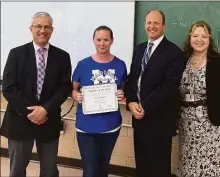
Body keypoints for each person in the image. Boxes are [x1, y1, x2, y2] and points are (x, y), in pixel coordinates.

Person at [0, 12, 72, 177]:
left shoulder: (62, 56)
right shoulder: (16, 54)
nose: (42, 30)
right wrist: (33, 112)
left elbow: (64, 87)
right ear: (31, 29)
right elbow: (9, 87)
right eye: (38, 26)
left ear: (52, 30)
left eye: (46, 27)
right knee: (17, 170)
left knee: (49, 170)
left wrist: (44, 110)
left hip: (49, 119)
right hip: (20, 119)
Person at [125, 10, 185, 177]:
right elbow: (132, 79)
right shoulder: (139, 49)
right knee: (142, 167)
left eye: (156, 23)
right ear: (144, 25)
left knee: (159, 169)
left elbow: (169, 87)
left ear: (164, 26)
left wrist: (144, 106)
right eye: (149, 23)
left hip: (159, 122)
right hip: (139, 120)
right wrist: (130, 102)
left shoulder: (174, 53)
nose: (152, 26)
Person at [177, 20, 220, 177]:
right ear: (190, 38)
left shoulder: (219, 62)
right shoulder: (181, 60)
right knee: (188, 164)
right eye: (195, 35)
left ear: (210, 39)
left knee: (213, 166)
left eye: (204, 36)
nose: (199, 40)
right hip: (186, 123)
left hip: (212, 124)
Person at [71, 25, 127, 177]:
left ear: (112, 41)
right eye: (99, 39)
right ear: (93, 41)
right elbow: (73, 89)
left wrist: (122, 94)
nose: (102, 43)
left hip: (111, 125)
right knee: (90, 170)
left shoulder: (120, 64)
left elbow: (123, 89)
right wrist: (76, 95)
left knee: (103, 168)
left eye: (106, 40)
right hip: (86, 126)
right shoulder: (83, 65)